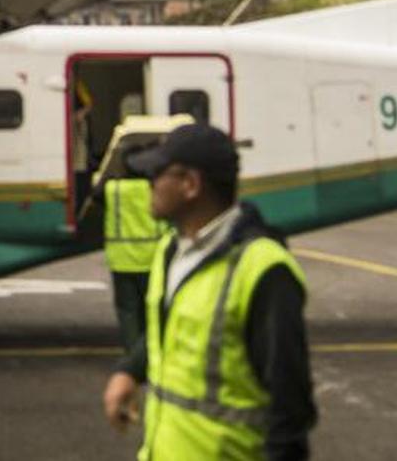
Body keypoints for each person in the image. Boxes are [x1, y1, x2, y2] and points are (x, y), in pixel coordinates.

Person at [101, 123, 316, 460]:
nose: (149, 185)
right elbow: (172, 333)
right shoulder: (171, 251)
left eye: (157, 174)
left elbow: (290, 410)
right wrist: (129, 371)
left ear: (190, 184)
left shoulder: (263, 271)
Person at [98, 167, 167, 355]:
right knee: (150, 308)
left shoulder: (113, 188)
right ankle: (150, 351)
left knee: (128, 311)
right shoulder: (155, 187)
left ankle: (133, 353)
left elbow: (95, 190)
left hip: (121, 259)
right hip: (151, 259)